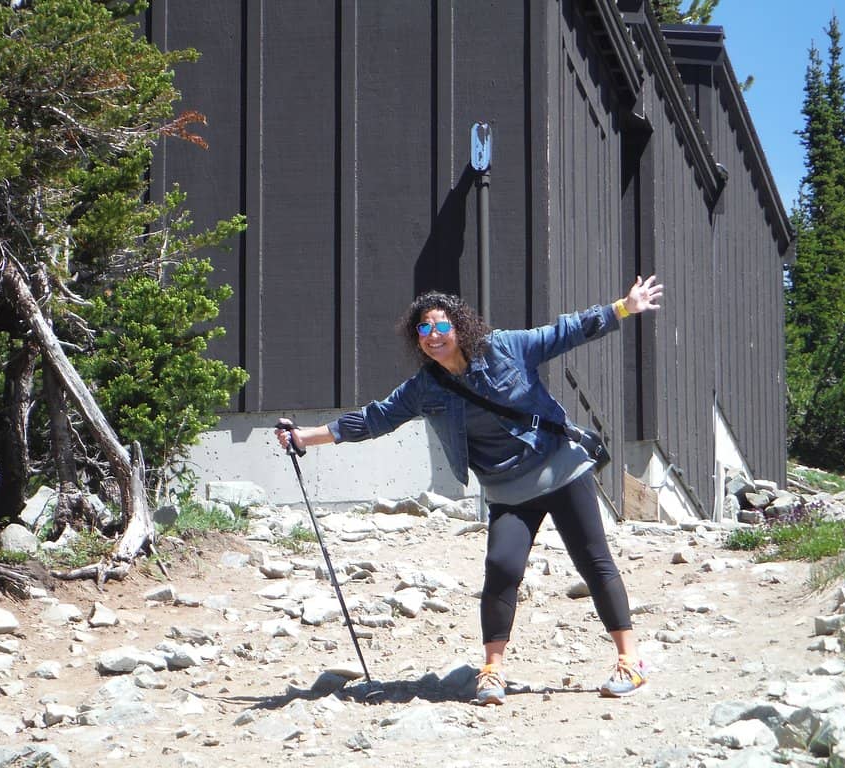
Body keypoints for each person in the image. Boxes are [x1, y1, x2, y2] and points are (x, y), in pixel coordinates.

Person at [276, 275, 663, 704]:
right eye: (424, 329)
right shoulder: (426, 387)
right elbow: (375, 418)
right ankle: (492, 671)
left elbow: (565, 331)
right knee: (501, 568)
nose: (434, 335)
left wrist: (623, 307)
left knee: (593, 560)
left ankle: (631, 660)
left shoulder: (506, 348)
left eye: (442, 326)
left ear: (460, 327)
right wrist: (305, 438)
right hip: (507, 489)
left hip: (561, 468)